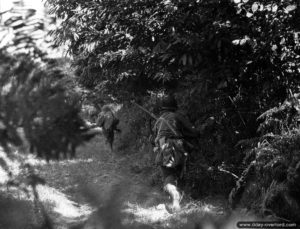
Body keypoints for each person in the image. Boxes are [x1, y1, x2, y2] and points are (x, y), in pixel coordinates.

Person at [152, 94, 199, 212]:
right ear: (174, 106)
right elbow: (194, 132)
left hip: (163, 149)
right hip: (178, 149)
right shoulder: (177, 116)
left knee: (168, 176)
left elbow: (152, 139)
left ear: (163, 107)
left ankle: (175, 199)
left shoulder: (159, 120)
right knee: (177, 174)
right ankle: (177, 200)